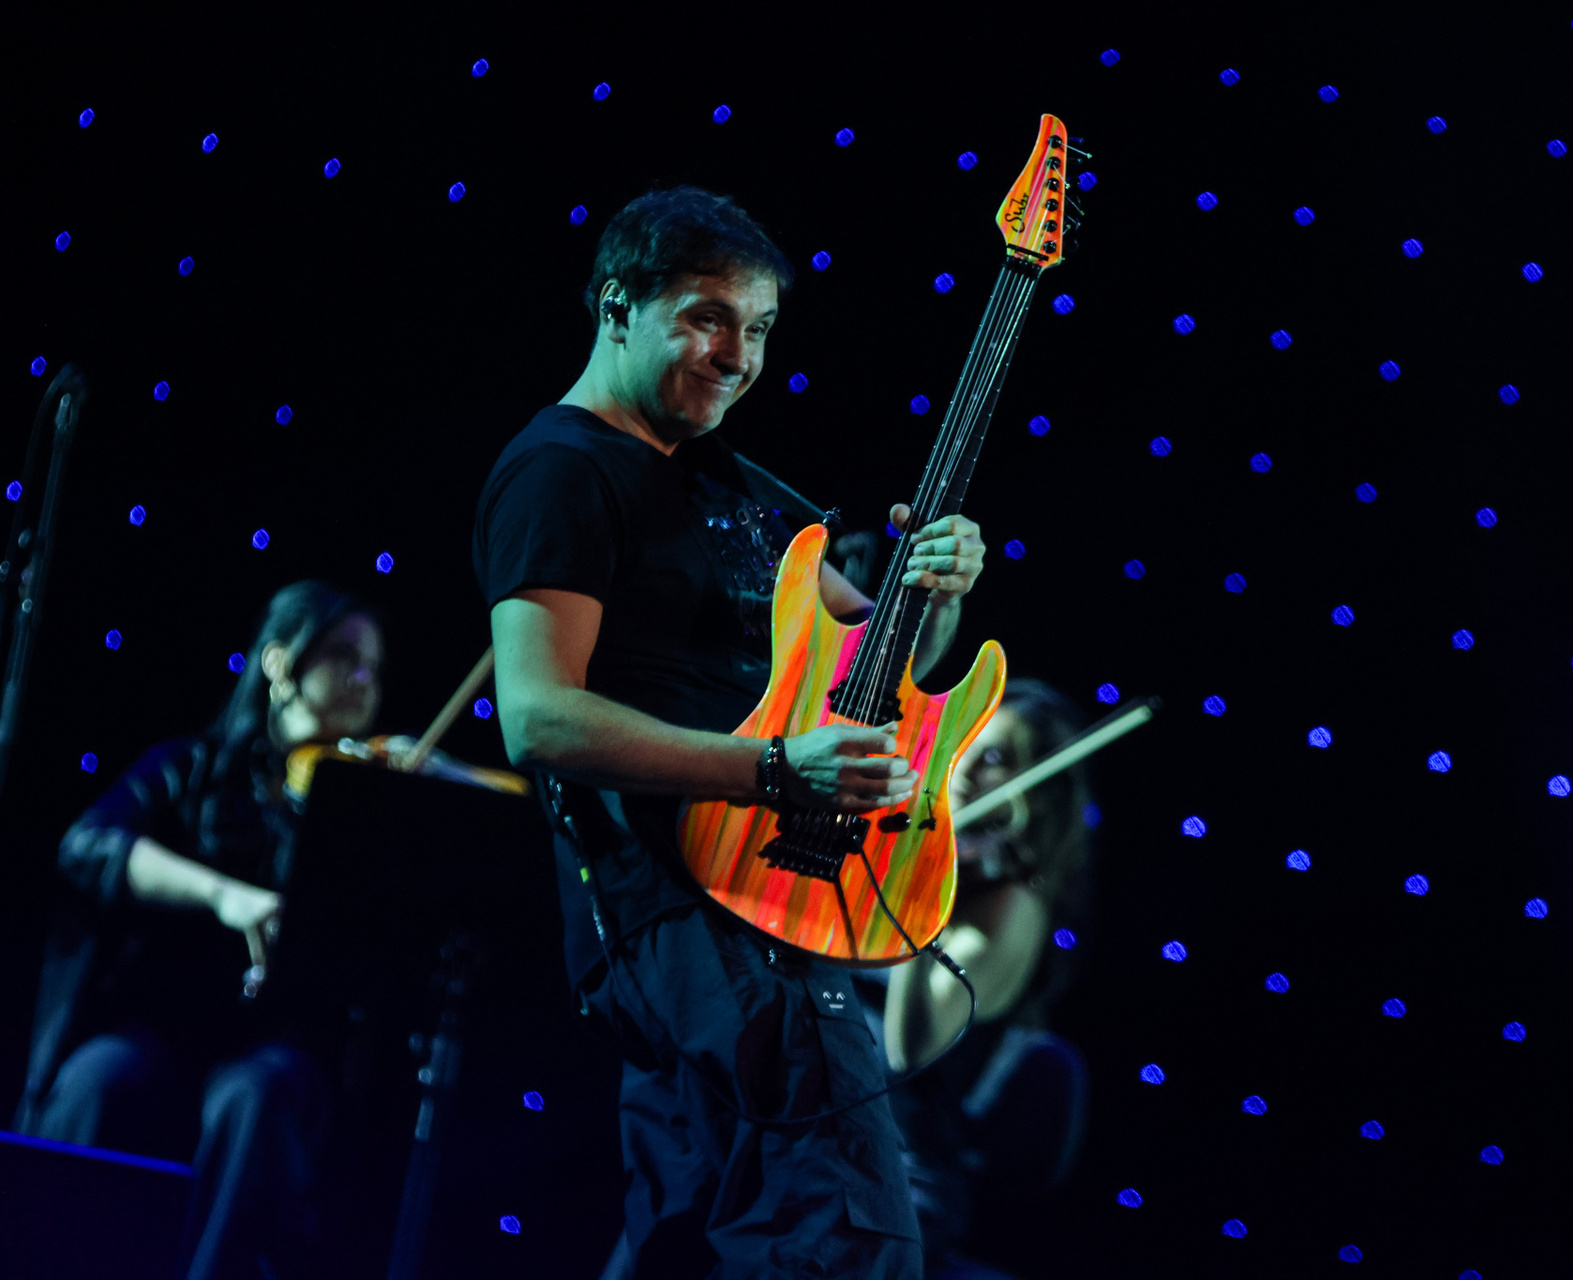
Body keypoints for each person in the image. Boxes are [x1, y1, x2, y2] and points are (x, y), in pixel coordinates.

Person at [474, 186, 987, 1279]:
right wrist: (774, 768)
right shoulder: (563, 469)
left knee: (693, 1244)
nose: (738, 355)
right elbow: (537, 716)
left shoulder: (738, 488)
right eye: (708, 317)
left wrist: (934, 594)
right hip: (685, 909)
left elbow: (876, 671)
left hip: (748, 905)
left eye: (758, 328)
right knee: (842, 1240)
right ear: (618, 306)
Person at [13, 580, 384, 1280]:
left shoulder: (357, 807)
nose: (365, 682)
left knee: (259, 1096)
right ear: (280, 662)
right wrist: (222, 894)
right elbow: (90, 845)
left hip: (271, 1045)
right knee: (101, 1078)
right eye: (344, 656)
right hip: (157, 1024)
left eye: (374, 668)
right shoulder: (190, 768)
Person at [874, 679, 1095, 1278]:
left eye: (996, 757)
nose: (967, 767)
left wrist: (914, 894)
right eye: (967, 743)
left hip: (891, 1190)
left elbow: (909, 1048)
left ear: (1039, 795)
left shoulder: (1011, 905)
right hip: (824, 1143)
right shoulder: (959, 868)